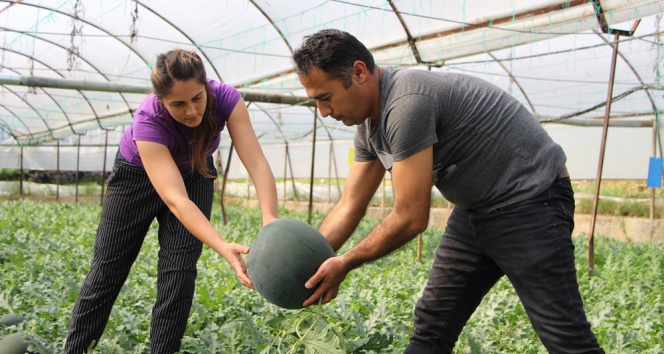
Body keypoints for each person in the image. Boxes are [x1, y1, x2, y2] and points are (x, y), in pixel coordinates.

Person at [293, 29, 603, 353]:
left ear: (358, 72)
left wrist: (344, 262)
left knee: (564, 337)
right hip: (474, 210)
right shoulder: (369, 127)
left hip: (529, 202)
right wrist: (304, 265)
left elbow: (411, 217)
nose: (324, 112)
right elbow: (350, 205)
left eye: (325, 98)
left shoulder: (407, 103)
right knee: (432, 322)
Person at [64, 49, 278, 353]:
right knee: (107, 271)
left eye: (197, 98)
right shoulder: (148, 120)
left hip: (195, 170)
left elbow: (256, 162)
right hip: (136, 178)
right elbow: (176, 199)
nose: (191, 110)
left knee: (179, 273)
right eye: (178, 104)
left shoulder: (227, 99)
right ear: (161, 99)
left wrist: (270, 218)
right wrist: (222, 246)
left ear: (206, 86)